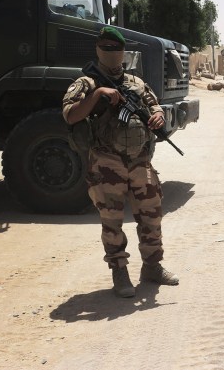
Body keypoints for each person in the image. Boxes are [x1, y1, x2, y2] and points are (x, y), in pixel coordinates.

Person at [62, 26, 179, 298]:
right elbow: (69, 115)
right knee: (112, 219)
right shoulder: (86, 83)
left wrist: (159, 116)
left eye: (117, 50)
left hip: (140, 160)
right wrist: (98, 94)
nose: (112, 54)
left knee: (151, 214)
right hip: (106, 160)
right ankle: (119, 270)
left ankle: (152, 266)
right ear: (99, 51)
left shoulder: (136, 83)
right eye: (107, 49)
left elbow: (154, 104)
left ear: (123, 52)